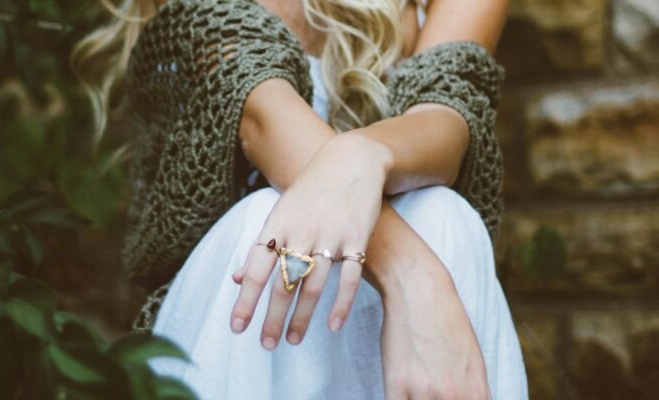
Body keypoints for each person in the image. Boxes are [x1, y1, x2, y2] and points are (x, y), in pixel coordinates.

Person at [72, 0, 528, 398]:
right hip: (236, 311)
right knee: (268, 217)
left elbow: (446, 121)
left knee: (442, 213)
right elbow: (261, 119)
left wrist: (363, 154)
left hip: (374, 311)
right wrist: (413, 273)